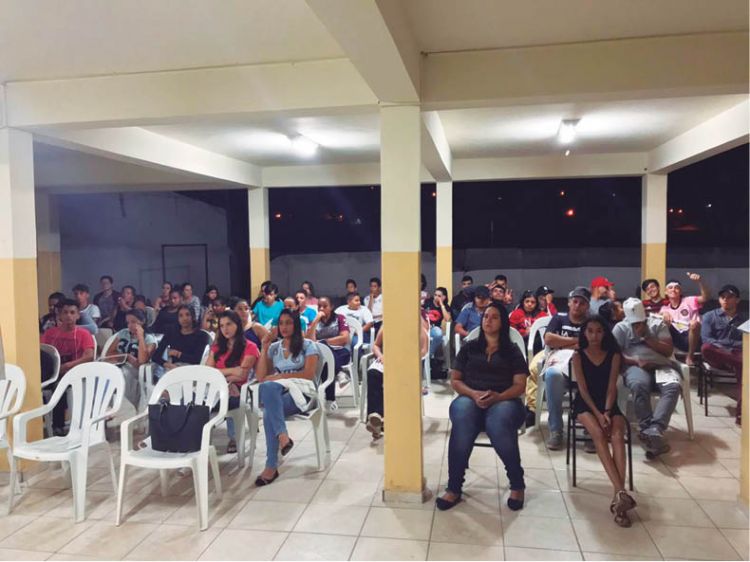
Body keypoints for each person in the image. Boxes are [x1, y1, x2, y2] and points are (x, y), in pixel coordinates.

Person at [436, 302, 528, 512]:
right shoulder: (470, 347)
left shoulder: (512, 351)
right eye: (486, 316)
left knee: (497, 423)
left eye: (494, 317)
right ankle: (454, 487)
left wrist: (498, 397)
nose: (488, 320)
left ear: (502, 323)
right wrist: (473, 393)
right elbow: (455, 380)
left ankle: (517, 483)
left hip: (505, 399)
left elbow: (520, 386)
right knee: (462, 416)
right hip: (472, 397)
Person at [571, 316, 636, 527]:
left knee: (617, 435)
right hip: (586, 404)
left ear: (605, 333)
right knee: (598, 434)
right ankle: (621, 491)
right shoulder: (578, 355)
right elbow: (582, 390)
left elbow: (611, 387)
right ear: (584, 333)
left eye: (599, 331)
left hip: (608, 403)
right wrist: (598, 415)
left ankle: (619, 498)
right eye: (590, 331)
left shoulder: (613, 355)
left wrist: (606, 411)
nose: (594, 336)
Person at [255, 309, 319, 485]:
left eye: (289, 323)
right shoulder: (274, 348)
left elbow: (308, 375)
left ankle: (271, 466)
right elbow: (261, 377)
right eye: (281, 323)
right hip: (280, 395)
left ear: (296, 324)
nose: (284, 327)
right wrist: (264, 347)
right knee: (267, 388)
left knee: (268, 412)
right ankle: (282, 438)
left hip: (303, 394)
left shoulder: (308, 345)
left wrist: (280, 377)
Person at [613, 298, 680, 456]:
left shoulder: (658, 324)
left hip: (661, 365)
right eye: (634, 324)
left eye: (640, 323)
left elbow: (668, 351)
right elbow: (615, 354)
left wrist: (647, 338)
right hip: (635, 366)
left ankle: (655, 428)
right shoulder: (620, 328)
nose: (637, 326)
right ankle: (647, 427)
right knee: (638, 384)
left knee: (673, 386)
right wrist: (635, 361)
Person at [541, 287, 591, 450]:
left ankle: (590, 429)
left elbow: (594, 344)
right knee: (551, 374)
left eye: (582, 303)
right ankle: (556, 430)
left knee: (597, 375)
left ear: (587, 306)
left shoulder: (591, 321)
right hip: (560, 363)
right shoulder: (559, 318)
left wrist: (562, 342)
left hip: (584, 364)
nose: (577, 305)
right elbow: (549, 339)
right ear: (569, 303)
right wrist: (576, 341)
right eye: (575, 301)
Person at [206, 311, 259, 454]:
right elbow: (208, 372)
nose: (225, 329)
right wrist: (232, 371)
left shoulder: (250, 346)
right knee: (193, 402)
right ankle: (196, 441)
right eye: (222, 326)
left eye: (229, 324)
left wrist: (221, 374)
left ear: (237, 325)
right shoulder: (217, 347)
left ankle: (234, 437)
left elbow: (242, 375)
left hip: (241, 390)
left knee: (229, 396)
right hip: (217, 388)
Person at [365, 321, 430, 439]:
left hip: (408, 361)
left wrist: (407, 359)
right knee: (373, 373)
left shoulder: (418, 325)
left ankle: (380, 420)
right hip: (387, 359)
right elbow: (376, 345)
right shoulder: (387, 324)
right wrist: (381, 356)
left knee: (399, 378)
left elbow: (424, 350)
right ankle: (375, 416)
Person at [41, 299, 95, 435]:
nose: (69, 316)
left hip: (74, 372)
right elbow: (42, 352)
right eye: (65, 312)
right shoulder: (50, 333)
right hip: (53, 371)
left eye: (72, 312)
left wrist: (67, 366)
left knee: (59, 385)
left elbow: (89, 356)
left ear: (78, 315)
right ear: (59, 315)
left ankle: (58, 425)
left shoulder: (83, 334)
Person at [701, 284, 745, 425]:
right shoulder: (710, 316)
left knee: (745, 375)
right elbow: (707, 339)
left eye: (730, 297)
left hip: (738, 356)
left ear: (737, 300)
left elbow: (746, 341)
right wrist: (726, 349)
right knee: (706, 348)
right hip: (718, 355)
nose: (725, 299)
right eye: (722, 297)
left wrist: (735, 350)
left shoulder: (744, 319)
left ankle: (742, 414)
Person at [105, 308, 157, 410]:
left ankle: (128, 407)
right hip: (119, 364)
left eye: (133, 322)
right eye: (128, 322)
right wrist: (127, 356)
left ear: (142, 322)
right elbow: (109, 353)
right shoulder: (123, 333)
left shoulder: (149, 339)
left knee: (123, 374)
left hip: (137, 369)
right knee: (106, 373)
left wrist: (140, 337)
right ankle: (105, 405)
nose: (130, 325)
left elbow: (142, 361)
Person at [307, 296, 350, 407]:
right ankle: (340, 373)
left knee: (329, 361)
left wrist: (324, 342)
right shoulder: (314, 321)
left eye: (325, 306)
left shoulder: (339, 318)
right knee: (326, 360)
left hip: (339, 351)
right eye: (319, 306)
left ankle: (330, 399)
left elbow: (345, 338)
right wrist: (316, 320)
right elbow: (310, 341)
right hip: (321, 354)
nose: (321, 309)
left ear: (331, 307)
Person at [659, 273, 709, 365]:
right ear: (666, 292)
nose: (673, 289)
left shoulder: (689, 301)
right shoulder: (664, 308)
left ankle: (690, 356)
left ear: (680, 291)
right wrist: (663, 314)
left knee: (694, 323)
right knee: (662, 321)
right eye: (670, 288)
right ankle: (666, 355)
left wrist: (700, 282)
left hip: (693, 336)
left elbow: (705, 297)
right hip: (677, 338)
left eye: (676, 288)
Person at [152, 305, 211, 379]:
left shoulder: (201, 335)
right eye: (181, 316)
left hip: (192, 370)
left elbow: (197, 359)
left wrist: (177, 354)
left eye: (187, 315)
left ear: (193, 317)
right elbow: (155, 356)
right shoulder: (171, 332)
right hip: (173, 368)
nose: (184, 318)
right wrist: (168, 365)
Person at [424, 287, 452, 370]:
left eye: (439, 296)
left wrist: (442, 305)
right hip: (424, 327)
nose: (436, 297)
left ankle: (428, 356)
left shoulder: (446, 307)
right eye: (435, 295)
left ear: (444, 297)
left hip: (434, 329)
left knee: (439, 333)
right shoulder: (428, 302)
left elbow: (448, 319)